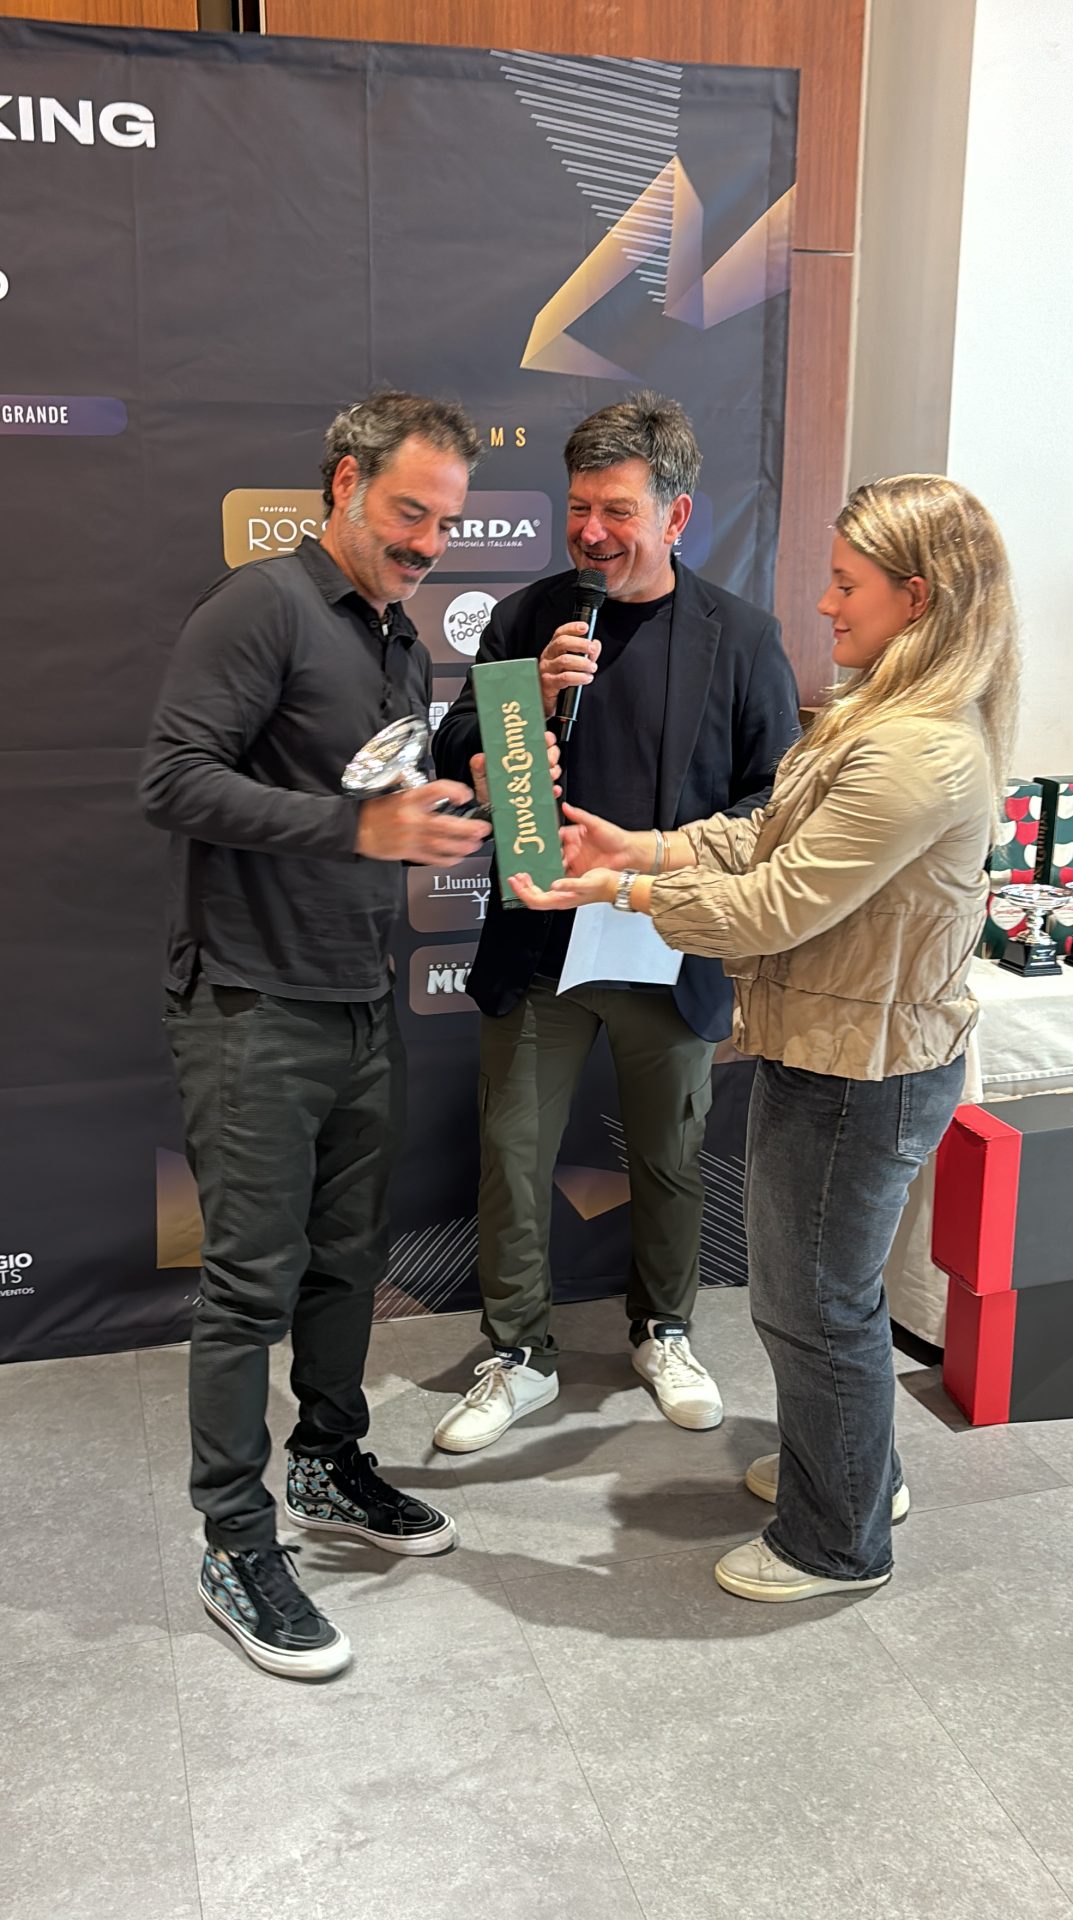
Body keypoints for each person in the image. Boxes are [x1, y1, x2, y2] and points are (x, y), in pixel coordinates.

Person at [511, 474, 1019, 1601]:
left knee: (813, 1307)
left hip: (859, 1075)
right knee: (820, 1300)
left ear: (917, 596)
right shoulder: (883, 720)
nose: (824, 604)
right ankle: (855, 1478)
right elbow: (764, 841)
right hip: (835, 1051)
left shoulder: (913, 749)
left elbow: (775, 905)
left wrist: (618, 892)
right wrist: (641, 848)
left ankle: (834, 1543)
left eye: (845, 584)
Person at [140, 391, 494, 1679]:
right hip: (249, 1002)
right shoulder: (260, 607)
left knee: (347, 1262)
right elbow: (172, 781)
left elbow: (366, 787)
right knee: (249, 1285)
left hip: (356, 996)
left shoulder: (393, 634)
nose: (427, 545)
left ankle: (328, 1465)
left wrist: (442, 799)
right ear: (342, 483)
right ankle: (234, 1544)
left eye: (444, 522)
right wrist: (358, 830)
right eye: (408, 512)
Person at [431, 391, 799, 1453]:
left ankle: (664, 1330)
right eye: (578, 507)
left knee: (671, 1156)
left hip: (665, 939)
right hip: (540, 942)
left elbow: (773, 800)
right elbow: (454, 753)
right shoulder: (525, 619)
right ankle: (517, 1352)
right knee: (511, 1151)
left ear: (674, 517)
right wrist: (527, 705)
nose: (590, 532)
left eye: (616, 511)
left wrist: (654, 858)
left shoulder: (742, 637)